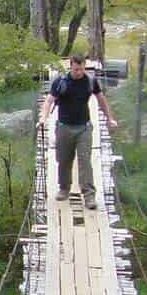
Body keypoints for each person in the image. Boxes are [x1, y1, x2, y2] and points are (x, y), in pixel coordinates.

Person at [39, 54, 118, 208]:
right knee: (63, 160)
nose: (78, 72)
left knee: (85, 161)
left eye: (81, 69)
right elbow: (49, 100)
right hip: (64, 126)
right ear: (71, 66)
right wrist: (43, 117)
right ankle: (64, 188)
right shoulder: (61, 81)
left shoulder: (90, 81)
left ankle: (89, 196)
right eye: (76, 69)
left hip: (84, 127)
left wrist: (110, 118)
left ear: (84, 67)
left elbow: (101, 99)